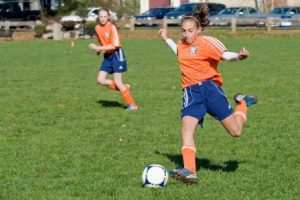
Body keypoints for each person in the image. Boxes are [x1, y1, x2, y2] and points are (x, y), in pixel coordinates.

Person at [159, 4, 257, 184]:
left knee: (236, 132)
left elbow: (225, 55)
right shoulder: (181, 45)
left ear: (199, 30)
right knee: (186, 130)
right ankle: (190, 171)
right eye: (183, 31)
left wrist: (238, 57)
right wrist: (166, 39)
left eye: (190, 31)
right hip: (191, 93)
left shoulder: (207, 42)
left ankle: (242, 102)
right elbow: (179, 52)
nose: (186, 34)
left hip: (210, 90)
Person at [89, 8, 137, 111]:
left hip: (116, 55)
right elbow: (102, 42)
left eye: (105, 16)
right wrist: (99, 49)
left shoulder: (112, 27)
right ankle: (125, 88)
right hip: (107, 56)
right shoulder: (97, 28)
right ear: (98, 17)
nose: (103, 19)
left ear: (109, 17)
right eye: (101, 16)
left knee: (118, 81)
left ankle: (132, 105)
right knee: (100, 80)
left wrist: (98, 48)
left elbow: (114, 46)